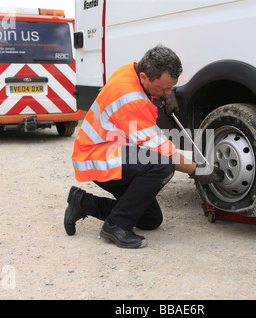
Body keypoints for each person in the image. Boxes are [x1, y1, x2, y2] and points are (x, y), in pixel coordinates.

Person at [64, 45, 223, 249]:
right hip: (98, 156)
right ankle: (115, 226)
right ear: (145, 77)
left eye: (171, 87)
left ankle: (83, 203)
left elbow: (151, 91)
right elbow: (163, 151)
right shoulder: (132, 101)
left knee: (150, 220)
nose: (167, 92)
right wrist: (197, 170)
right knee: (162, 165)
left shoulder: (130, 70)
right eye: (163, 88)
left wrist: (167, 96)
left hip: (110, 151)